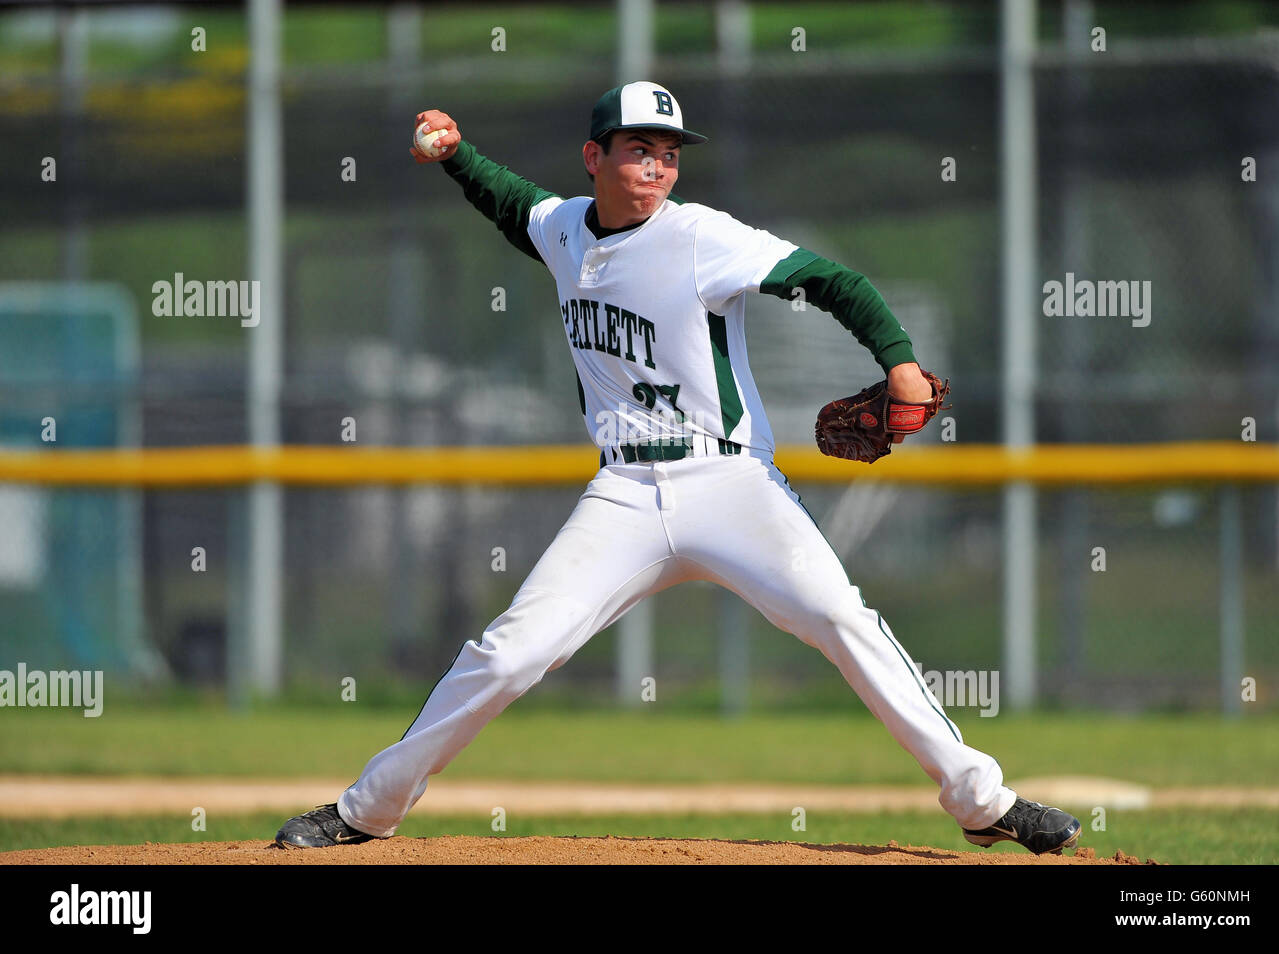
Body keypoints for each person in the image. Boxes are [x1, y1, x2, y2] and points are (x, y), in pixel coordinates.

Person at [275, 82, 1081, 856]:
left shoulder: (701, 237)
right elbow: (510, 202)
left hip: (730, 483)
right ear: (594, 156)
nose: (657, 165)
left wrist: (900, 364)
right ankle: (367, 810)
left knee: (843, 620)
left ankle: (984, 804)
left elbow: (835, 282)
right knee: (511, 653)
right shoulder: (562, 228)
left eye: (668, 151)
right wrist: (457, 155)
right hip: (623, 493)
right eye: (638, 149)